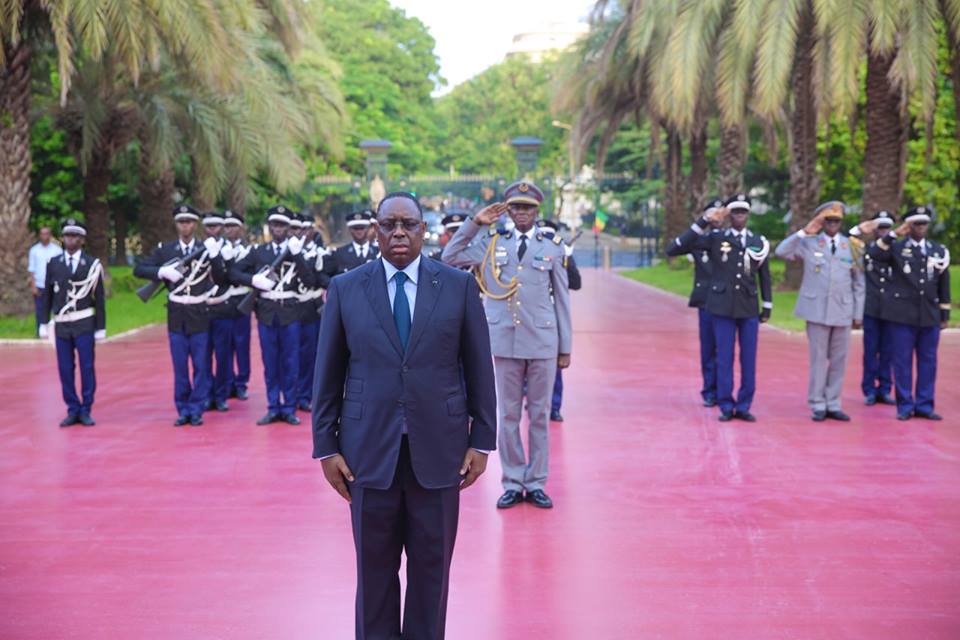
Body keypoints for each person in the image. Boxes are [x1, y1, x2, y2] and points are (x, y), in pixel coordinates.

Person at [312, 191, 496, 640]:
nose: (398, 233)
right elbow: (328, 372)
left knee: (431, 576)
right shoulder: (346, 288)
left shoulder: (457, 286)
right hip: (366, 455)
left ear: (423, 230)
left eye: (408, 225)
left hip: (440, 452)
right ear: (376, 229)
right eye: (389, 224)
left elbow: (478, 366)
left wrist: (481, 440)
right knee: (373, 576)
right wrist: (326, 447)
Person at [442, 180, 572, 509]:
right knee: (509, 415)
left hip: (543, 340)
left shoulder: (552, 245)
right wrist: (475, 222)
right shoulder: (492, 241)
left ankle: (537, 481)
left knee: (540, 415)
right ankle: (514, 480)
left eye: (527, 207)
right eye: (516, 207)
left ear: (537, 210)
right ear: (508, 210)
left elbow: (562, 301)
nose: (521, 213)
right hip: (504, 341)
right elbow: (450, 255)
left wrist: (565, 347)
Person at [672, 194, 772, 422]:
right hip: (721, 307)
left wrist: (767, 305)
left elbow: (764, 276)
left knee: (749, 359)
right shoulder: (716, 238)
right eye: (735, 212)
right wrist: (703, 221)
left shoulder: (758, 241)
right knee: (724, 358)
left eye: (743, 212)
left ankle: (744, 404)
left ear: (748, 214)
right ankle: (726, 404)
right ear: (729, 215)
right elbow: (676, 247)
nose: (739, 216)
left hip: (748, 307)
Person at [135, 205, 226, 426]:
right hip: (177, 314)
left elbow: (223, 279)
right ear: (176, 224)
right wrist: (161, 272)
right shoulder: (166, 250)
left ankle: (196, 408)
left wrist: (215, 257)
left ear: (195, 225)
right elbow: (138, 269)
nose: (185, 225)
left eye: (188, 222)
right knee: (180, 366)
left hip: (199, 313)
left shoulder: (206, 249)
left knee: (201, 365)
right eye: (181, 222)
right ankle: (183, 408)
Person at [775, 201, 865, 421]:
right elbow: (781, 251)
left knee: (839, 360)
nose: (833, 224)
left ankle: (833, 403)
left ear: (841, 222)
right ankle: (817, 403)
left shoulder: (850, 246)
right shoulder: (808, 243)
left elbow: (859, 283)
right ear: (821, 221)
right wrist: (805, 231)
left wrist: (858, 314)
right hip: (816, 310)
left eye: (837, 220)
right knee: (818, 359)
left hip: (843, 310)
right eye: (828, 220)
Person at [230, 205, 315, 425]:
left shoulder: (296, 252)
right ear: (270, 226)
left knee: (290, 361)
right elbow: (234, 272)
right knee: (270, 362)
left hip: (290, 311)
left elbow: (308, 281)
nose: (278, 228)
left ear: (288, 228)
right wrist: (253, 281)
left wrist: (297, 255)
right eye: (275, 224)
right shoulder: (260, 252)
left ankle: (289, 407)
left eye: (282, 225)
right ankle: (273, 406)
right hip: (267, 312)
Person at [865, 206, 951, 421]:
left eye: (924, 223)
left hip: (929, 315)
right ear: (909, 226)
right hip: (902, 315)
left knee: (928, 362)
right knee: (902, 362)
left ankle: (924, 404)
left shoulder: (937, 250)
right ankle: (905, 405)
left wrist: (944, 313)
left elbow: (944, 282)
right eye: (917, 223)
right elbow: (874, 254)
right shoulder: (896, 247)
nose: (921, 227)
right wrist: (894, 234)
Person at [39, 219, 105, 427]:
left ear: (82, 240)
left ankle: (86, 409)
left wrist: (101, 327)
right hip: (62, 325)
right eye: (67, 235)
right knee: (65, 369)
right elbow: (47, 295)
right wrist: (43, 321)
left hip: (84, 322)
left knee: (86, 367)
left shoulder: (92, 264)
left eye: (75, 236)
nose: (70, 239)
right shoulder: (54, 263)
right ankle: (72, 408)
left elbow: (100, 298)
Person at [666, 198, 724, 408]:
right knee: (708, 349)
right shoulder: (700, 241)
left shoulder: (732, 238)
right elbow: (672, 249)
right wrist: (702, 222)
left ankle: (724, 390)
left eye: (720, 213)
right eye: (712, 214)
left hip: (729, 303)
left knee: (725, 350)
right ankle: (710, 390)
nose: (717, 217)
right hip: (707, 302)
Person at [537, 219, 582, 422]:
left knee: (554, 367)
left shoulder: (560, 253)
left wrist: (568, 258)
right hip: (530, 315)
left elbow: (575, 283)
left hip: (551, 317)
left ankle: (554, 406)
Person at [850, 210, 896, 405]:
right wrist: (860, 228)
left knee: (889, 352)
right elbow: (849, 240)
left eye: (886, 227)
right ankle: (869, 389)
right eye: (879, 227)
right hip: (871, 307)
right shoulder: (866, 249)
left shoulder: (898, 249)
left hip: (892, 309)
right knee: (870, 351)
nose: (883, 231)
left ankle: (885, 389)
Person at [293, 212, 332, 412]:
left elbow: (317, 278)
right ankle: (291, 395)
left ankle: (306, 394)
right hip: (289, 307)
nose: (301, 233)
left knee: (310, 354)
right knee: (290, 355)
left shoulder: (318, 252)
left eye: (305, 229)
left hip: (311, 306)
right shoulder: (287, 251)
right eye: (297, 229)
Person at [201, 211, 232, 412]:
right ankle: (206, 394)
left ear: (221, 227)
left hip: (222, 306)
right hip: (201, 308)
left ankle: (221, 395)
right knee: (202, 356)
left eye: (216, 226)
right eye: (209, 226)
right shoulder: (198, 248)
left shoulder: (228, 249)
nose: (212, 229)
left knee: (223, 355)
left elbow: (229, 277)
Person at [219, 211, 253, 400]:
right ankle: (227, 382)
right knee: (224, 345)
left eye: (233, 226)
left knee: (241, 344)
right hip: (223, 301)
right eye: (227, 226)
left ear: (241, 228)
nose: (229, 230)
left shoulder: (248, 250)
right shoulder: (219, 248)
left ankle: (241, 382)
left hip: (241, 300)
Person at [28, 225, 63, 337]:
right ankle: (40, 332)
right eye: (42, 234)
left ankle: (56, 332)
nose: (44, 236)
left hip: (54, 285)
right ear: (40, 235)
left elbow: (61, 269)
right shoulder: (34, 250)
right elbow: (31, 269)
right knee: (40, 311)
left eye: (46, 233)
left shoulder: (57, 250)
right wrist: (33, 286)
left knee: (56, 310)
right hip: (40, 285)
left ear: (50, 235)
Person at [326, 210, 380, 276]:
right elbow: (326, 275)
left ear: (368, 228)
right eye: (355, 228)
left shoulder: (378, 252)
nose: (359, 231)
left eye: (362, 228)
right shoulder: (339, 254)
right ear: (350, 230)